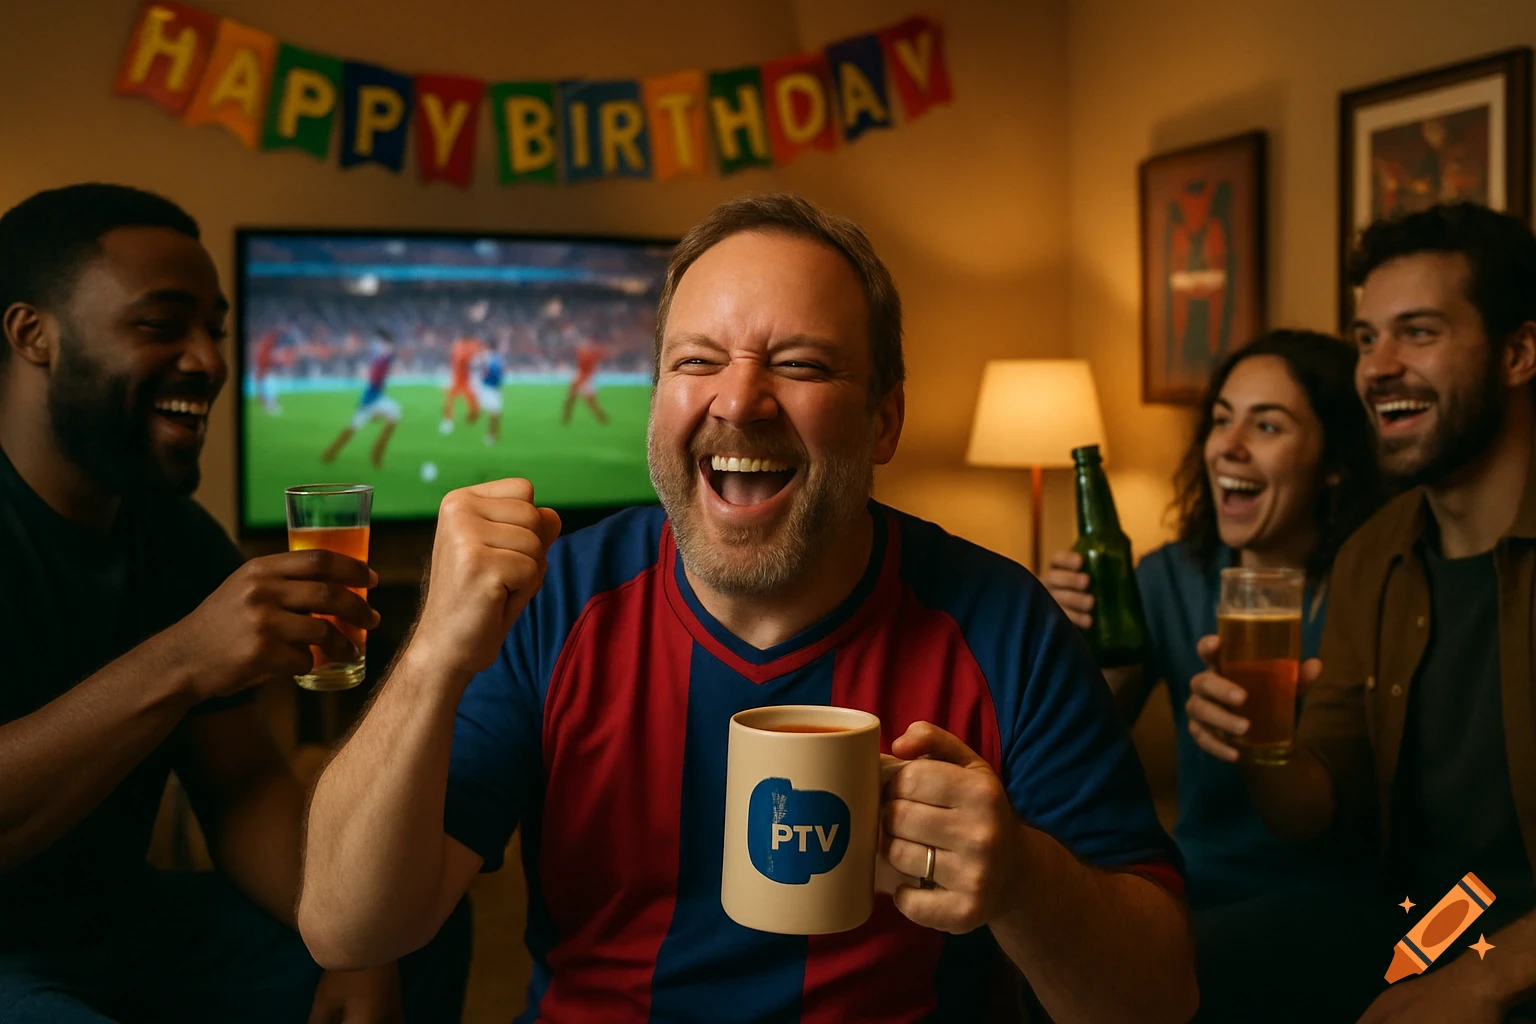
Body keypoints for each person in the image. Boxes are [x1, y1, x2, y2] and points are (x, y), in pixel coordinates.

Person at [298, 193, 1199, 1023]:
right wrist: (430, 661)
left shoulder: (1004, 627)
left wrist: (1024, 882)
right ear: (658, 399)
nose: (738, 399)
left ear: (885, 421)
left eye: (801, 364)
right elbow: (347, 929)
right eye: (696, 361)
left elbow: (1161, 999)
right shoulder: (558, 601)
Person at [0, 184, 469, 1023]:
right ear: (33, 335)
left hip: (117, 927)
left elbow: (244, 784)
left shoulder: (176, 538)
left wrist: (344, 935)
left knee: (409, 926)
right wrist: (184, 659)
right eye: (160, 324)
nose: (212, 361)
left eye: (213, 330)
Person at [1187, 202, 1536, 1022]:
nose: (1377, 366)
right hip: (1426, 923)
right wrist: (1261, 743)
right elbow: (1319, 810)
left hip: (1511, 954)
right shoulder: (1374, 554)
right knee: (1150, 969)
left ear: (1518, 353)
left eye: (1417, 332)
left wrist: (1476, 985)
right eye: (1368, 337)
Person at [1045, 330, 1383, 910]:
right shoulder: (1170, 576)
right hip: (1203, 890)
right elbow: (1084, 742)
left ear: (1335, 463)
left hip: (1346, 898)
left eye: (1268, 426)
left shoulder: (1374, 582)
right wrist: (1071, 642)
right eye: (1223, 420)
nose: (1229, 445)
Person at [321, 329, 400, 469]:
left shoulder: (380, 357)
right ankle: (333, 453)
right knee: (352, 429)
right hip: (371, 400)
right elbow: (376, 374)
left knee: (393, 415)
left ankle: (374, 453)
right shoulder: (380, 357)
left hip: (375, 398)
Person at [440, 333, 482, 434]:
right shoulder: (462, 347)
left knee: (471, 400)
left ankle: (471, 416)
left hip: (464, 380)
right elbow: (460, 360)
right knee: (449, 398)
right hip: (458, 380)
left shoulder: (464, 347)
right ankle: (448, 420)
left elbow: (470, 359)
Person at [560, 338, 609, 424]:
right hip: (583, 378)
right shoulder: (591, 353)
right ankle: (602, 418)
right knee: (577, 400)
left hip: (582, 379)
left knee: (575, 400)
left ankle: (566, 416)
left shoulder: (586, 353)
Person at [474, 340, 507, 446]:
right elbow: (501, 374)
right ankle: (493, 434)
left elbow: (480, 369)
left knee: (492, 413)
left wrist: (482, 376)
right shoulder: (498, 358)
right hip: (493, 388)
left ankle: (492, 435)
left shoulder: (487, 357)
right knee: (494, 413)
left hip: (487, 387)